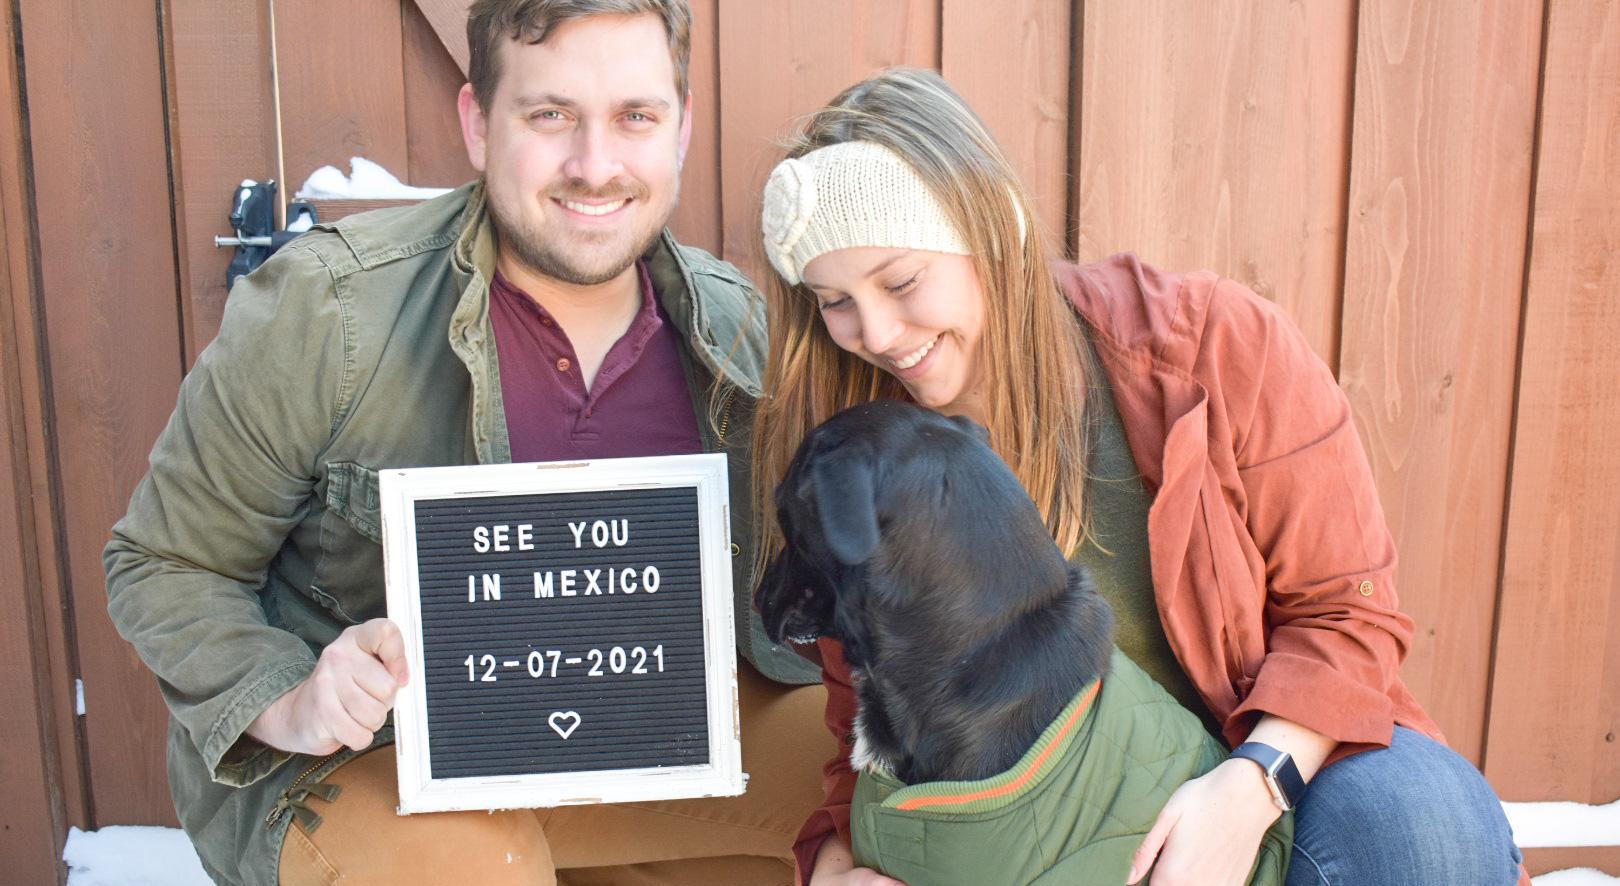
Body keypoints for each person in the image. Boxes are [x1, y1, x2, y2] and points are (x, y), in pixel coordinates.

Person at [103, 2, 828, 885]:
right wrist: (289, 696)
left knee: (887, 782)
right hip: (376, 754)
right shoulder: (331, 308)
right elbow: (166, 562)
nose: (594, 165)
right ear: (479, 124)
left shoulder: (737, 330)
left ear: (680, 129)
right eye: (550, 114)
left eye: (636, 116)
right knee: (474, 867)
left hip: (643, 731)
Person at [751, 67, 1527, 886]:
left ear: (996, 224)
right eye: (834, 301)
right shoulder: (869, 463)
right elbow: (871, 721)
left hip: (1285, 777)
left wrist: (1249, 786)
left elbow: (1346, 615)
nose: (874, 332)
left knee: (1424, 830)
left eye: (902, 281)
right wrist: (837, 867)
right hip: (1066, 845)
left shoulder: (1213, 344)